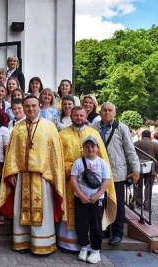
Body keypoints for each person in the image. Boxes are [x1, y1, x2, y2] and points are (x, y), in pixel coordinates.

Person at [0, 95, 66, 255]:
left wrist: (52, 174)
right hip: (22, 176)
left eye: (34, 106)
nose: (30, 109)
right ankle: (22, 243)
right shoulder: (18, 128)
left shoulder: (49, 127)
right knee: (21, 208)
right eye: (27, 106)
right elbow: (12, 153)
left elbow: (55, 154)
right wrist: (12, 173)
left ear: (39, 106)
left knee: (44, 210)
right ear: (23, 107)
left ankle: (42, 244)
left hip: (43, 177)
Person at [58, 107, 116, 253]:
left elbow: (103, 158)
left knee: (92, 219)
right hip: (69, 182)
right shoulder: (62, 134)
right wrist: (68, 167)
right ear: (70, 116)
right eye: (75, 115)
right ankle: (69, 244)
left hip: (94, 187)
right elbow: (57, 158)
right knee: (77, 216)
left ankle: (92, 247)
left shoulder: (93, 133)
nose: (78, 117)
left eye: (81, 115)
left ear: (86, 116)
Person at [91, 102, 140, 245]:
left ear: (114, 113)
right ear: (100, 113)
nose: (107, 112)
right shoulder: (93, 128)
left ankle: (118, 233)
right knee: (102, 203)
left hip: (117, 173)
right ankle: (105, 230)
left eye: (110, 110)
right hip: (99, 173)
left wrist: (135, 169)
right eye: (104, 110)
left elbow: (130, 150)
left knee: (117, 204)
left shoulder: (121, 128)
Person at [70, 136, 111, 264]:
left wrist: (97, 195)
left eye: (93, 146)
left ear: (97, 148)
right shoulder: (78, 162)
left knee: (96, 226)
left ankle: (95, 250)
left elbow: (106, 181)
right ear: (83, 148)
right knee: (81, 224)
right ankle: (83, 247)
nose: (90, 149)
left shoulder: (103, 163)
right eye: (87, 147)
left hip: (97, 200)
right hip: (81, 199)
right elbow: (73, 179)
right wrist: (81, 195)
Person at [134, 130, 158, 211]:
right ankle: (147, 205)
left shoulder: (136, 143)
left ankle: (138, 203)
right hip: (151, 168)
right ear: (149, 136)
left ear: (142, 135)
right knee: (149, 187)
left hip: (139, 167)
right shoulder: (155, 145)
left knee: (138, 185)